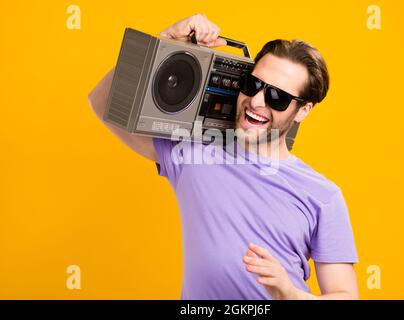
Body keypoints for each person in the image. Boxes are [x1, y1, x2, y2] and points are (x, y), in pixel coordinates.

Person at [88, 13, 359, 300]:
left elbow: (344, 295)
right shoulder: (194, 153)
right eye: (253, 85)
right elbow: (102, 102)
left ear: (303, 110)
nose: (256, 102)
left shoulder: (322, 195)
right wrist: (164, 43)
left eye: (276, 97)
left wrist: (289, 293)